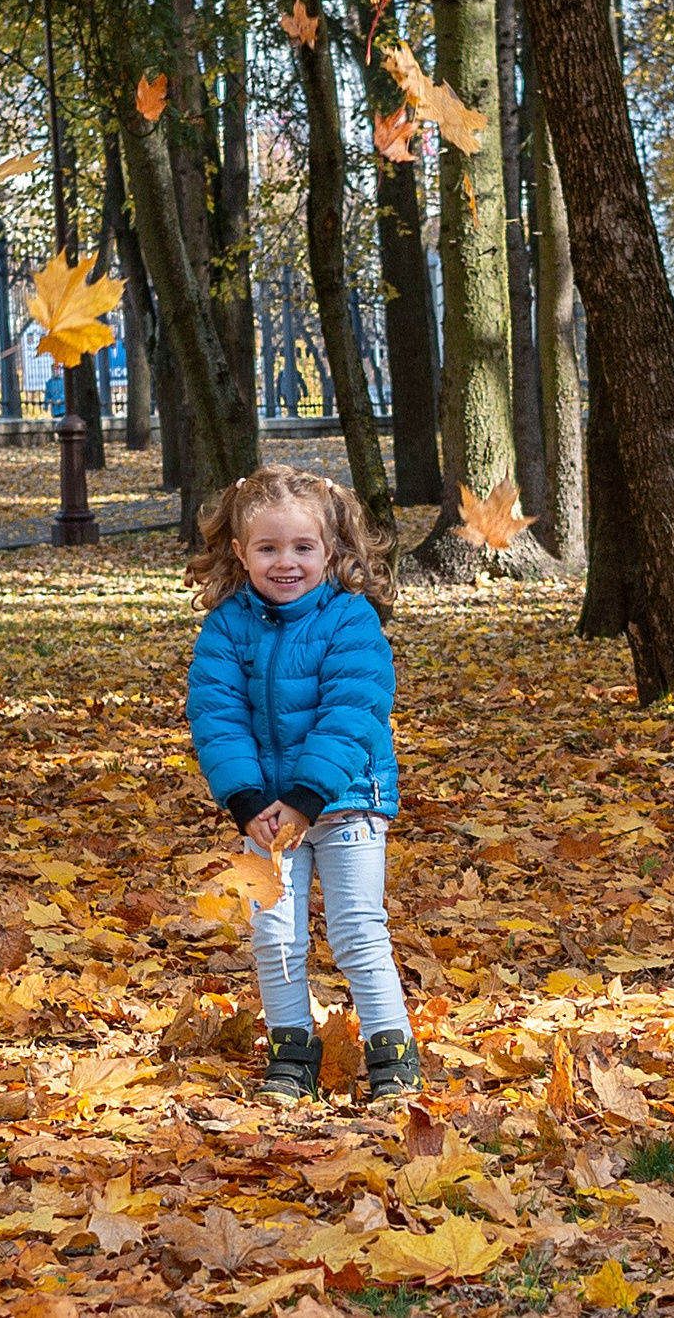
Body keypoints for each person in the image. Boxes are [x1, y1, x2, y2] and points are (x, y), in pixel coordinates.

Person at [185, 465, 418, 1104]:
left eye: (302, 548)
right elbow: (217, 716)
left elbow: (353, 710)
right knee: (273, 931)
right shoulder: (227, 629)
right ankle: (292, 1048)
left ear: (331, 550)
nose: (285, 562)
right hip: (264, 815)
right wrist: (249, 801)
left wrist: (307, 796)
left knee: (355, 928)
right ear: (240, 552)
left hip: (346, 805)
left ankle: (391, 1050)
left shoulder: (351, 623)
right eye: (267, 548)